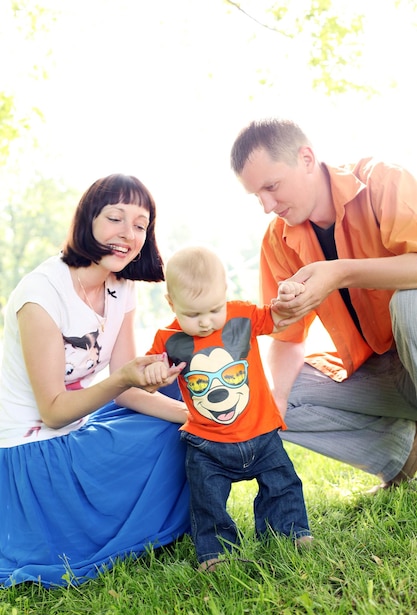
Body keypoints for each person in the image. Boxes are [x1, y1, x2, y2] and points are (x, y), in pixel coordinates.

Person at [0, 174, 191, 589]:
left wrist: (190, 416)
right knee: (160, 438)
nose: (128, 234)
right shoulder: (40, 294)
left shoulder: (121, 286)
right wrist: (124, 377)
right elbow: (53, 411)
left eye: (140, 225)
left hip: (78, 423)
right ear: (88, 219)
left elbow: (130, 389)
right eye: (115, 219)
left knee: (183, 400)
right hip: (33, 449)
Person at [230, 117, 417, 493]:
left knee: (409, 301)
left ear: (306, 158)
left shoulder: (382, 180)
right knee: (265, 396)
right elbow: (286, 337)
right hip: (384, 374)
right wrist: (276, 405)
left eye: (272, 186)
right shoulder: (278, 240)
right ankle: (404, 456)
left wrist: (340, 273)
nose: (267, 206)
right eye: (257, 196)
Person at [144, 246, 312, 572]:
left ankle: (290, 533)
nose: (206, 322)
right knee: (207, 500)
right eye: (192, 315)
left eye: (213, 309)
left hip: (261, 433)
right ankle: (216, 552)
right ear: (171, 303)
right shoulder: (168, 340)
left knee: (283, 483)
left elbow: (280, 319)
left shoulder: (242, 317)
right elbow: (150, 376)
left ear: (225, 294)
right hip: (207, 444)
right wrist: (153, 373)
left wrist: (290, 295)